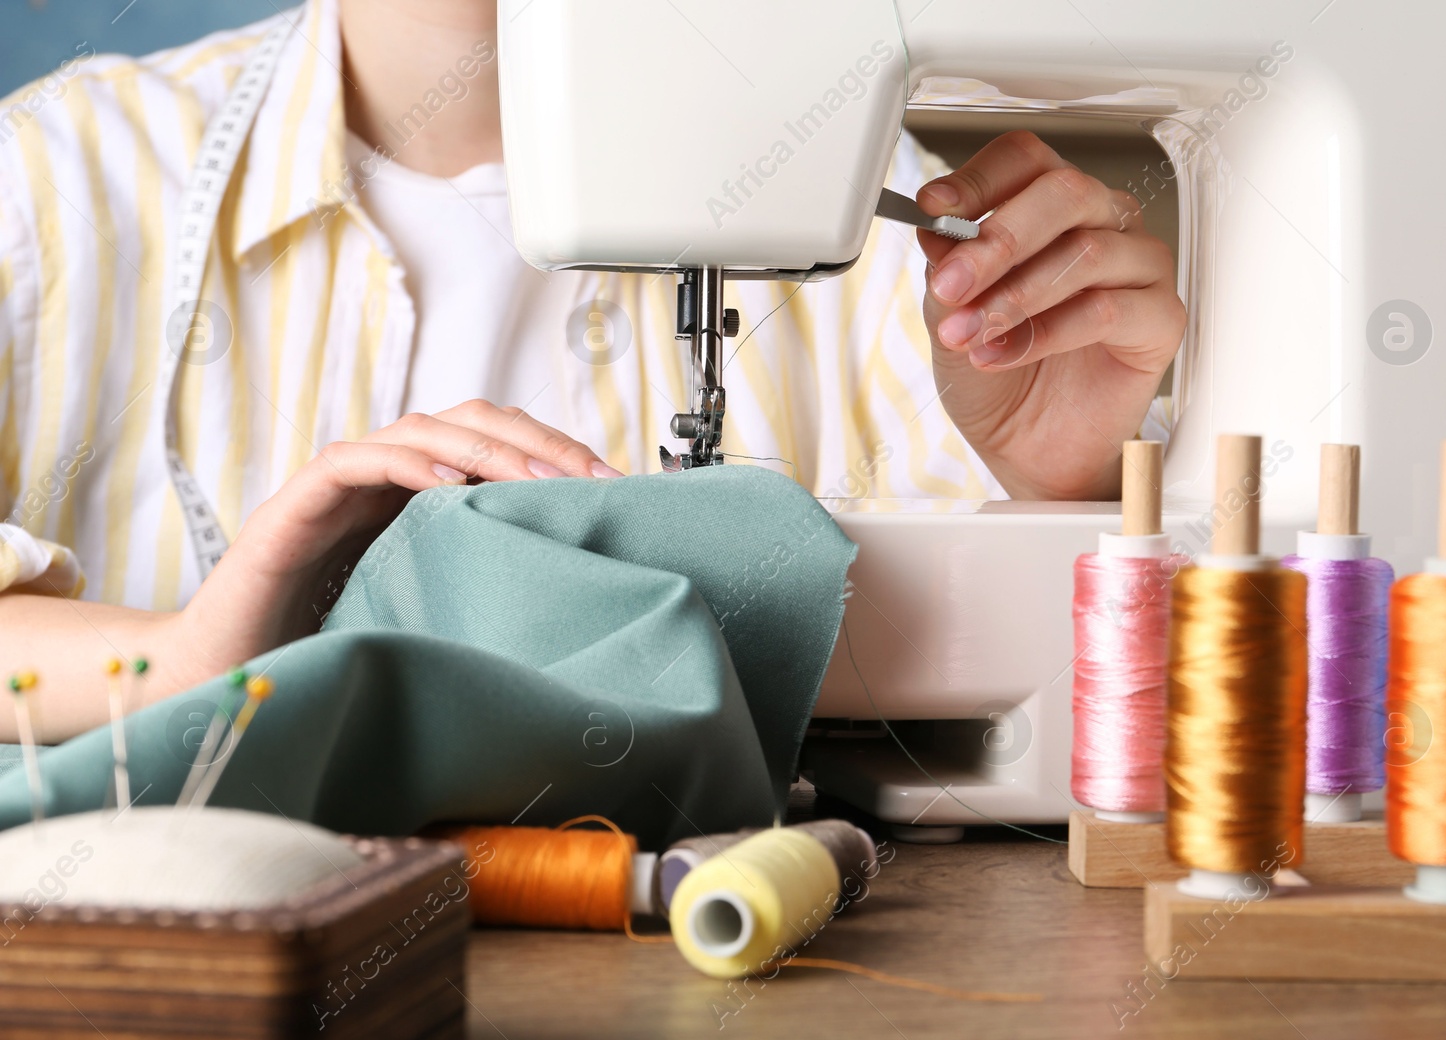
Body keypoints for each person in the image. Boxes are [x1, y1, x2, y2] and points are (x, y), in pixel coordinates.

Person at [0, 0, 1182, 738]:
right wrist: (185, 659)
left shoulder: (858, 201)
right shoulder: (52, 184)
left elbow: (1027, 703)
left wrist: (1048, 490)